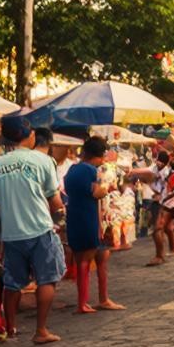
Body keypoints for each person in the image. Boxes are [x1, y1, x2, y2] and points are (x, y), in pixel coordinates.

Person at [0, 112, 66, 344]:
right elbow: (55, 201)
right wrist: (60, 213)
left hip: (11, 233)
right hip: (40, 229)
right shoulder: (43, 161)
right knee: (46, 279)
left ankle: (10, 329)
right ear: (29, 135)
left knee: (12, 283)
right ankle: (41, 330)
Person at [64, 135, 124, 314]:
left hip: (76, 216)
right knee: (86, 260)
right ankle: (84, 303)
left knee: (97, 257)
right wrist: (106, 188)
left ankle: (99, 299)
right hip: (89, 218)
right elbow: (97, 192)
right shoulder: (89, 170)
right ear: (97, 156)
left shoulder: (72, 170)